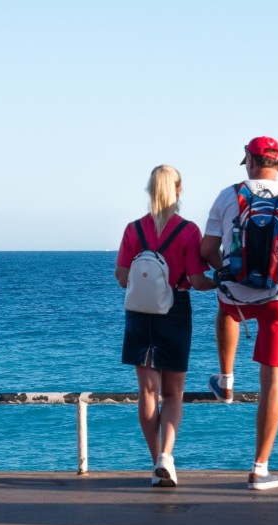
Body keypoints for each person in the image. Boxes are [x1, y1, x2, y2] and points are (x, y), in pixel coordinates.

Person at [200, 136, 278, 490]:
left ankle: (226, 380)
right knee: (273, 384)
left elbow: (207, 249)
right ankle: (259, 469)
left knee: (225, 311)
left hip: (236, 295)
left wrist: (230, 274)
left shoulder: (228, 195)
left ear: (250, 162)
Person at [116, 164, 215, 487]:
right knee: (173, 393)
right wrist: (221, 283)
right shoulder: (188, 231)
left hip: (139, 313)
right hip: (175, 310)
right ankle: (166, 457)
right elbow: (197, 280)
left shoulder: (133, 230)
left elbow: (121, 278)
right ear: (179, 190)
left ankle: (154, 460)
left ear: (149, 190)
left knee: (148, 391)